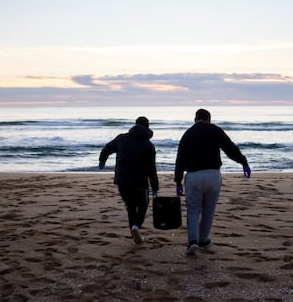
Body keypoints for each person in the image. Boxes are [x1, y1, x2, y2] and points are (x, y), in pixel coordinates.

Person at [174, 109, 251, 255]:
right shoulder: (215, 130)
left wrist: (178, 181)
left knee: (193, 209)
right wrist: (243, 162)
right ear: (209, 119)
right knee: (209, 209)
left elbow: (180, 159)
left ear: (194, 119)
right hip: (213, 175)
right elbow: (230, 148)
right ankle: (203, 239)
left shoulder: (188, 134)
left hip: (194, 176)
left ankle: (193, 242)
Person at [99, 116, 159, 244]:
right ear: (148, 127)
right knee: (143, 205)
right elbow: (151, 169)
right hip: (140, 182)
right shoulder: (148, 145)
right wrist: (155, 187)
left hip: (122, 180)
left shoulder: (122, 139)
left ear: (135, 125)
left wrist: (102, 160)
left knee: (131, 206)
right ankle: (136, 226)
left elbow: (107, 148)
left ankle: (133, 230)